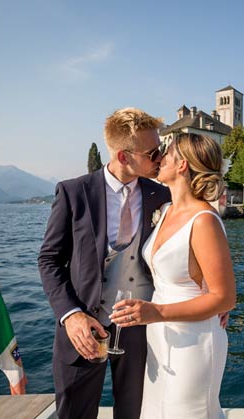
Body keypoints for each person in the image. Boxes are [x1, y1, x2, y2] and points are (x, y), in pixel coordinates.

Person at [38, 107, 171, 419]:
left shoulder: (161, 195)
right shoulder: (73, 192)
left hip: (141, 331)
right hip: (85, 329)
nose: (160, 158)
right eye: (153, 152)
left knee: (136, 413)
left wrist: (214, 297)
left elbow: (185, 248)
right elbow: (49, 259)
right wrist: (71, 317)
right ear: (124, 156)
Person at [111, 133, 236, 419]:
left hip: (194, 340)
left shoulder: (204, 220)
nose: (159, 157)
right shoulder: (165, 210)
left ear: (182, 165)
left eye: (166, 152)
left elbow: (225, 296)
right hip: (159, 336)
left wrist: (156, 312)